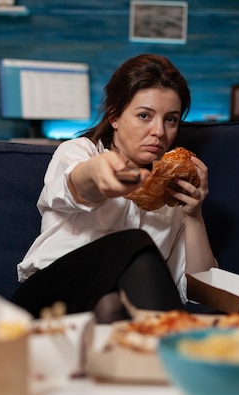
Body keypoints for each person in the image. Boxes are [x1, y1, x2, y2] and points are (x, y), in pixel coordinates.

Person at [12, 54, 217, 323]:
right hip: (46, 298)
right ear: (115, 117)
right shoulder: (79, 153)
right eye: (144, 115)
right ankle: (180, 352)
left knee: (112, 306)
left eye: (171, 119)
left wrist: (194, 216)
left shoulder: (172, 194)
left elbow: (200, 293)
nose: (159, 131)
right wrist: (97, 173)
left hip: (107, 310)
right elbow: (74, 186)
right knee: (135, 242)